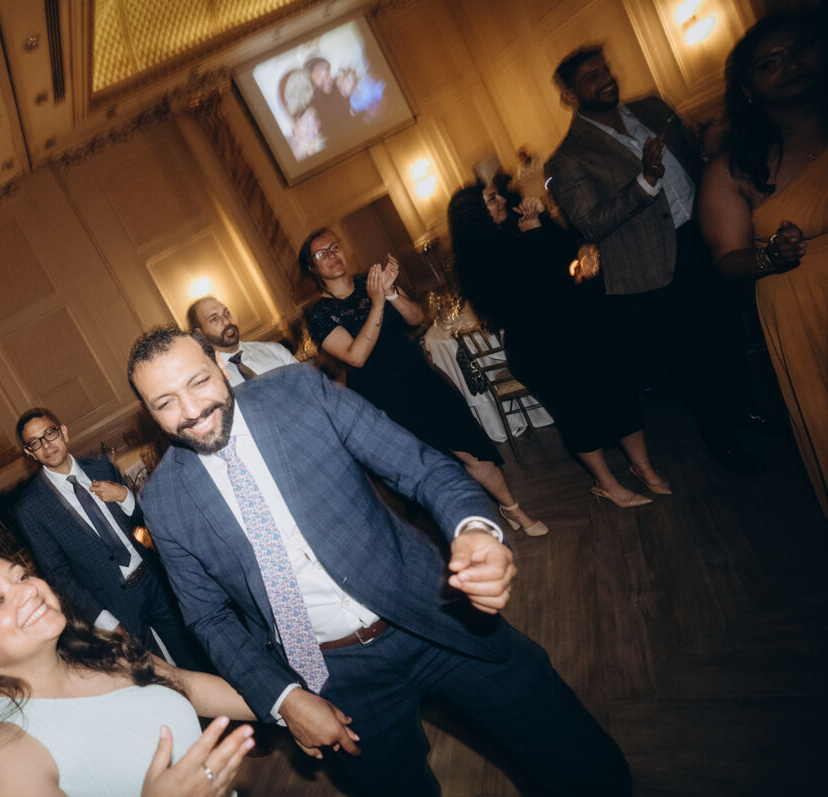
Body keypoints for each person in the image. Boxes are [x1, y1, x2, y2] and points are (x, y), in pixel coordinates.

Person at [125, 327, 634, 797]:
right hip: (331, 674)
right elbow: (208, 618)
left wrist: (476, 531)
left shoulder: (300, 391)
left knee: (580, 758)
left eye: (199, 382)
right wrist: (284, 698)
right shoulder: (163, 501)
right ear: (148, 411)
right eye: (166, 402)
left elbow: (421, 467)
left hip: (432, 612)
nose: (192, 411)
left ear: (218, 365)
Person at [0, 551, 284, 797]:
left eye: (22, 576)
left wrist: (287, 705)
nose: (27, 591)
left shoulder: (98, 648)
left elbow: (188, 686)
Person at [544, 45, 765, 474]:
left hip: (704, 237)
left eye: (604, 69)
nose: (605, 79)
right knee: (693, 358)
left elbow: (692, 160)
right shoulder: (569, 157)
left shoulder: (652, 108)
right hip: (651, 268)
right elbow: (590, 223)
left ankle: (745, 409)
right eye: (590, 77)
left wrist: (708, 150)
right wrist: (645, 180)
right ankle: (721, 442)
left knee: (729, 331)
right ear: (570, 95)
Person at [300, 229, 548, 536]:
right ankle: (464, 533)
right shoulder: (318, 313)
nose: (332, 256)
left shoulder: (371, 281)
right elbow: (356, 356)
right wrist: (378, 303)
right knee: (428, 469)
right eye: (321, 254)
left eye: (334, 247)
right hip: (384, 401)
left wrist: (391, 293)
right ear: (312, 267)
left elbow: (417, 318)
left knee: (469, 447)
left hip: (420, 379)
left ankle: (512, 507)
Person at [448, 184, 672, 506]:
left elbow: (566, 258)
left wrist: (543, 222)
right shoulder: (477, 258)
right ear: (473, 213)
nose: (502, 200)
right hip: (539, 347)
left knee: (618, 391)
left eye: (498, 194)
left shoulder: (516, 227)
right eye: (492, 198)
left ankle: (643, 467)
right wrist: (533, 235)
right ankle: (606, 483)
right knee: (577, 414)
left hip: (578, 326)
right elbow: (529, 293)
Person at [698, 10, 827, 517]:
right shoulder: (735, 166)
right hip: (806, 305)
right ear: (749, 89)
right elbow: (725, 260)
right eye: (770, 63)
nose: (790, 64)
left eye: (801, 48)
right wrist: (771, 255)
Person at [13, 407, 206, 669]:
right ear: (29, 452)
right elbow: (58, 574)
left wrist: (125, 497)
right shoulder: (31, 508)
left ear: (64, 432)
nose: (46, 445)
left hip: (153, 580)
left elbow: (143, 522)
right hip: (114, 605)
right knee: (154, 676)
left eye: (50, 433)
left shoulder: (101, 466)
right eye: (35, 442)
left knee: (195, 659)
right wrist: (102, 620)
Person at [186, 296, 297, 386]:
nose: (226, 321)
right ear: (200, 333)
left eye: (226, 313)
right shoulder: (208, 382)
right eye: (214, 319)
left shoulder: (274, 351)